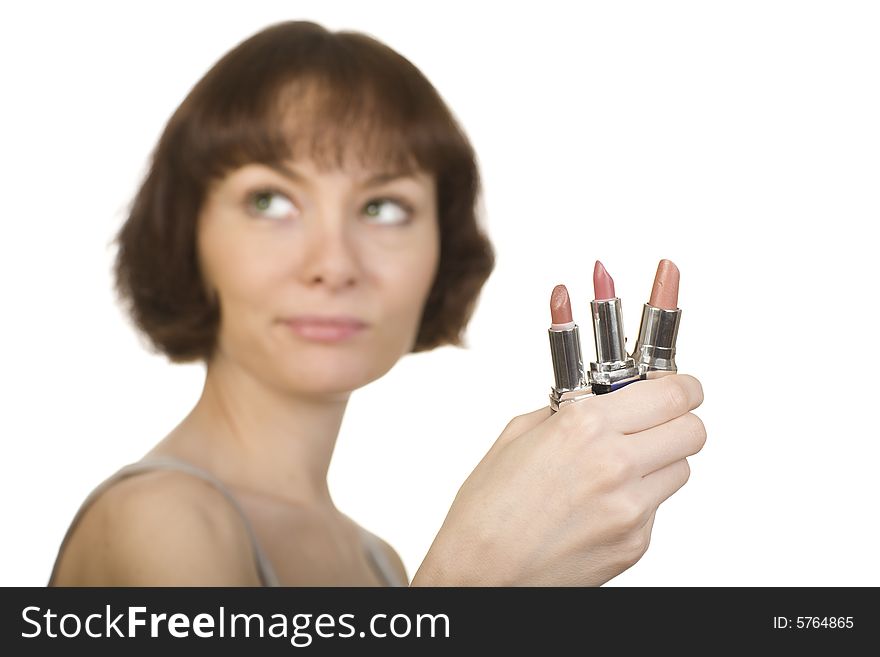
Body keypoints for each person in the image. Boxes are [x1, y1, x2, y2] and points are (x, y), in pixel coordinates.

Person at [48, 21, 706, 587]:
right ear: (187, 232)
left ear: (440, 252)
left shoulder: (377, 562)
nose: (334, 262)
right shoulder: (160, 522)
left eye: (382, 207)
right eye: (269, 200)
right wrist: (471, 576)